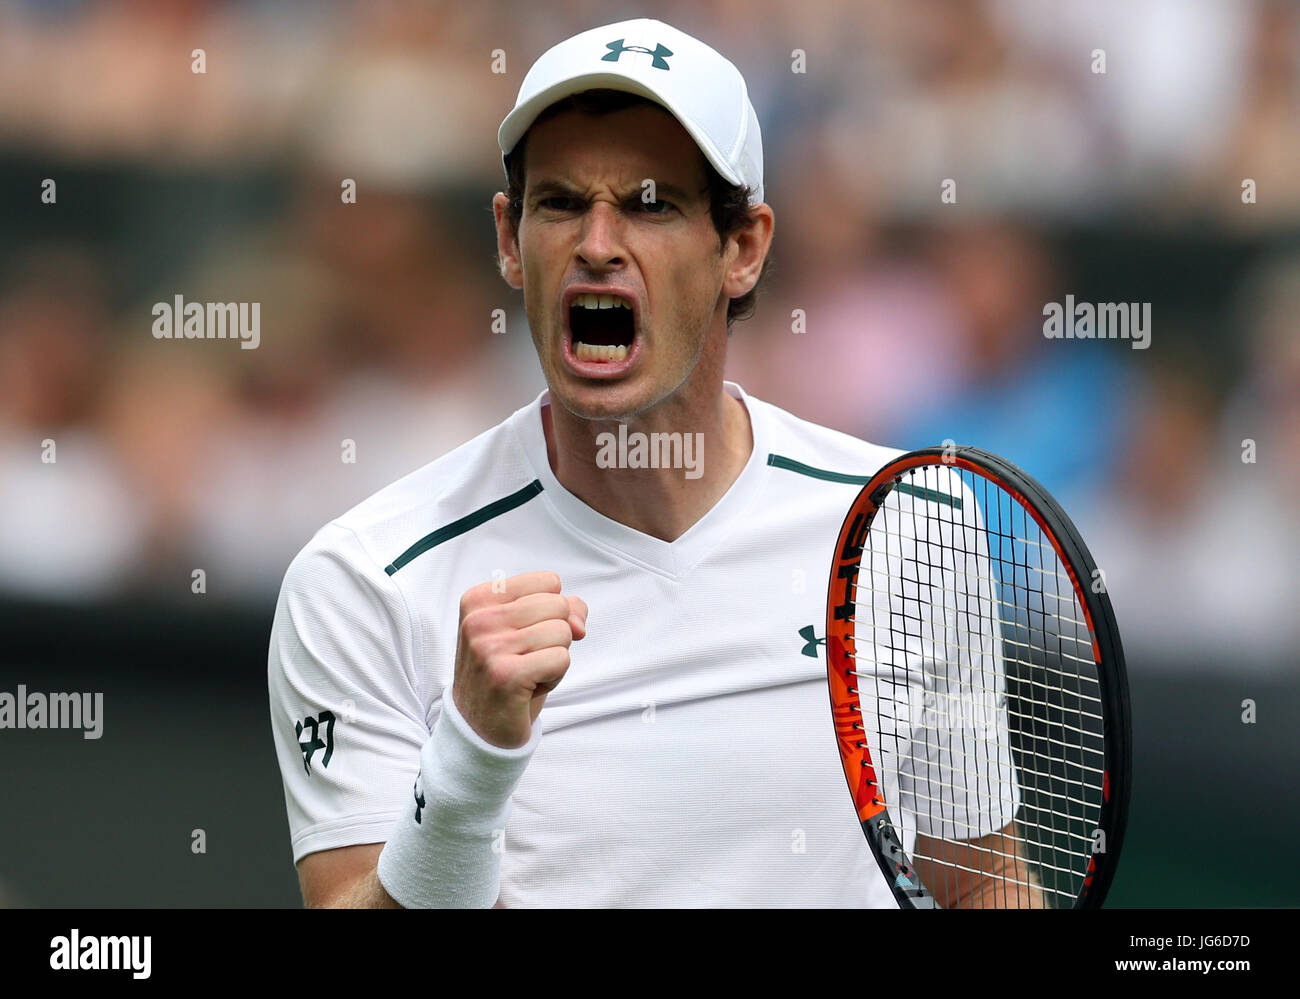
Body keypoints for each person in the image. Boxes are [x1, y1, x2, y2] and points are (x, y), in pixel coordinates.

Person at [269, 17, 1039, 908]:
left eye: (650, 203)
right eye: (558, 203)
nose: (597, 243)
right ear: (510, 241)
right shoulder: (364, 579)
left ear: (743, 249)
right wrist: (471, 761)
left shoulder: (913, 523)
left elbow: (982, 889)